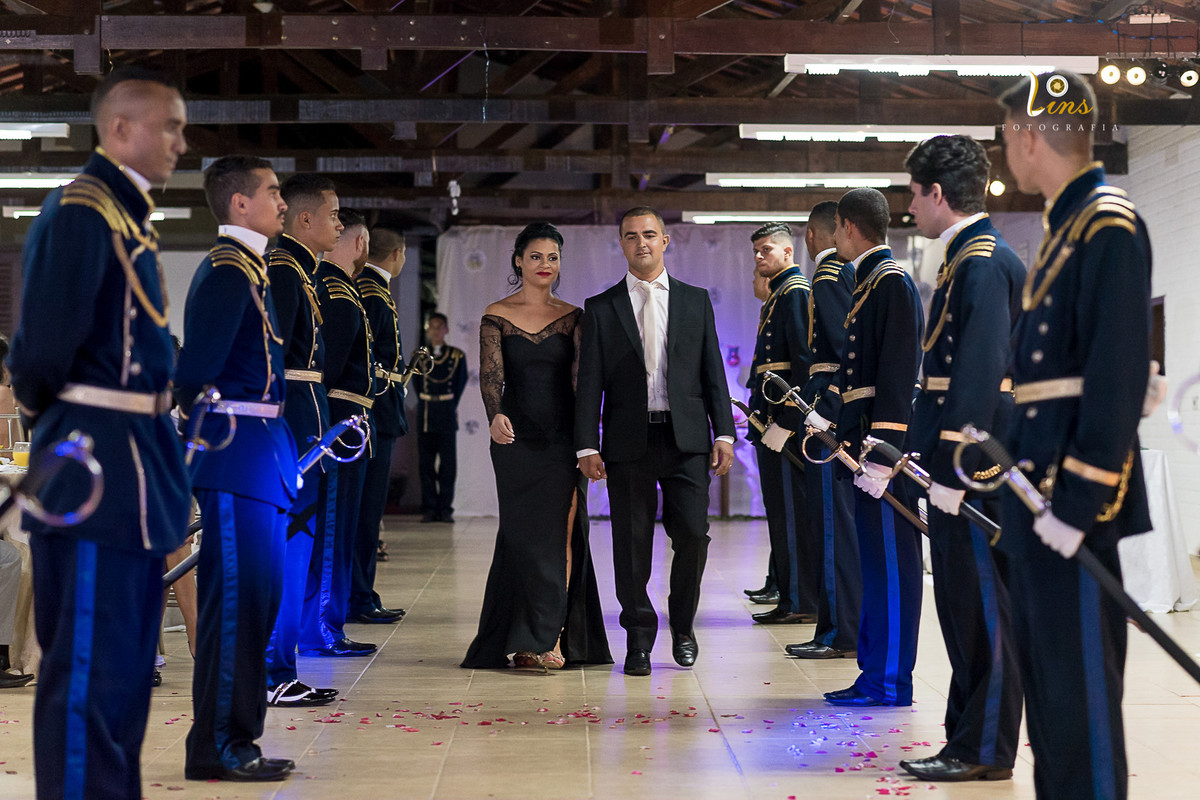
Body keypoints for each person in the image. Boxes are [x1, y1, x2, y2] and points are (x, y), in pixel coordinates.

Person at [8, 66, 192, 799]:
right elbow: (40, 354)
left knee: (123, 677)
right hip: (92, 470)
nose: (183, 140)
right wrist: (67, 435)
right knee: (86, 673)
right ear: (120, 128)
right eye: (171, 125)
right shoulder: (83, 211)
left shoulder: (127, 214)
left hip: (136, 469)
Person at [997, 71, 1152, 800]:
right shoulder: (1065, 225)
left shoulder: (1106, 223)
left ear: (1029, 134)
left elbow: (1116, 373)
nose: (1005, 150)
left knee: (1082, 698)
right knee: (1053, 700)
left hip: (1071, 505)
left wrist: (1078, 503)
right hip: (1037, 498)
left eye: (1005, 134)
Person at [899, 134, 1025, 782]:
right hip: (958, 466)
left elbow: (978, 376)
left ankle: (983, 750)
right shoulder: (966, 259)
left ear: (937, 194)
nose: (910, 208)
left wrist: (956, 471)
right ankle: (964, 739)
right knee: (962, 611)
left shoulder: (981, 262)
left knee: (983, 612)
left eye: (914, 194)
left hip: (973, 470)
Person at [176, 155, 299, 782]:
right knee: (235, 610)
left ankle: (238, 738)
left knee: (258, 603)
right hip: (234, 456)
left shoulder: (251, 268)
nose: (283, 203)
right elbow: (194, 370)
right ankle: (217, 746)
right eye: (273, 192)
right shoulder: (227, 272)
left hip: (259, 457)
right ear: (239, 204)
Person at [575, 206, 736, 677]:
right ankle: (639, 640)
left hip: (686, 440)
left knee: (692, 536)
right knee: (631, 544)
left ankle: (683, 627)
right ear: (621, 245)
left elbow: (713, 374)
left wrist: (723, 431)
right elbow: (590, 384)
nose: (641, 243)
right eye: (631, 236)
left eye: (650, 235)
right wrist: (587, 444)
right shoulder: (601, 308)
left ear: (666, 241)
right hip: (628, 442)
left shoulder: (695, 300)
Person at [462, 223, 612, 671]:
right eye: (536, 257)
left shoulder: (574, 317)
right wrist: (494, 415)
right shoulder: (496, 314)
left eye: (553, 257)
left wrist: (588, 442)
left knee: (559, 538)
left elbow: (582, 386)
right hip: (515, 441)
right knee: (523, 540)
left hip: (562, 443)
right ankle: (521, 634)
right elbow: (492, 377)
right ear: (518, 261)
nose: (545, 265)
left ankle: (551, 637)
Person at [807, 188, 924, 707]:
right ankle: (873, 673)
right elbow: (856, 375)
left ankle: (891, 679)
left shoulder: (890, 283)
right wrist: (827, 416)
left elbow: (897, 377)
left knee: (893, 571)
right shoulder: (867, 283)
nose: (833, 239)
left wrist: (884, 454)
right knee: (875, 568)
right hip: (862, 447)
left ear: (848, 227)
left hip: (882, 454)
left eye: (835, 230)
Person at [265, 172, 349, 693]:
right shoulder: (283, 271)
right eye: (334, 214)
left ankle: (283, 664)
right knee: (291, 543)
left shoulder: (304, 270)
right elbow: (277, 360)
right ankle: (276, 668)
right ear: (306, 218)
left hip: (310, 413)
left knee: (305, 543)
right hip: (292, 417)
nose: (339, 223)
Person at [784, 201, 861, 661]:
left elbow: (841, 350)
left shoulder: (829, 274)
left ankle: (838, 631)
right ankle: (839, 625)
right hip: (829, 405)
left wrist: (825, 410)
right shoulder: (836, 272)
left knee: (833, 528)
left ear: (812, 235)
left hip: (829, 414)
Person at [311, 208, 378, 656]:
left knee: (345, 527)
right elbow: (328, 365)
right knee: (333, 529)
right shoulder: (335, 291)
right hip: (338, 420)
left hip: (351, 418)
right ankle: (322, 627)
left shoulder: (344, 289)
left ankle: (328, 623)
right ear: (359, 244)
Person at [744, 223, 817, 626]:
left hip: (783, 427)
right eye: (755, 251)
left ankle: (799, 600)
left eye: (766, 250)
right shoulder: (778, 296)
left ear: (788, 253)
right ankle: (791, 596)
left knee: (791, 516)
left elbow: (803, 367)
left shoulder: (795, 294)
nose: (759, 257)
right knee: (780, 513)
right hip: (768, 422)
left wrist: (788, 423)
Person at [349, 226, 410, 624]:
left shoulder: (372, 287)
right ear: (398, 253)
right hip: (374, 408)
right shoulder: (371, 291)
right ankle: (358, 596)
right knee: (365, 513)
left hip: (380, 406)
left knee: (367, 513)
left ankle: (362, 592)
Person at [414, 312, 467, 523]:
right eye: (432, 327)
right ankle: (429, 507)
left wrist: (450, 405)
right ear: (428, 330)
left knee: (448, 464)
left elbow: (460, 383)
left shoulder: (456, 356)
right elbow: (416, 384)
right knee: (426, 464)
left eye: (440, 326)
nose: (436, 331)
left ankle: (445, 508)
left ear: (446, 329)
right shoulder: (419, 355)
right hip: (426, 411)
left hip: (446, 411)